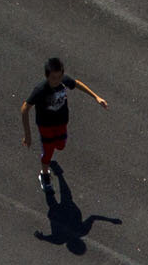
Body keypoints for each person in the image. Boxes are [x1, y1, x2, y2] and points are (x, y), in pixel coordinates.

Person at [21, 58, 108, 190]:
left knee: (60, 146)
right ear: (47, 76)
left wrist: (96, 97)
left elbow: (76, 83)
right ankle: (44, 175)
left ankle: (50, 160)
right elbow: (24, 108)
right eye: (54, 78)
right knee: (48, 153)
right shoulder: (40, 90)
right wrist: (28, 135)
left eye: (60, 76)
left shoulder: (63, 81)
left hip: (61, 123)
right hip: (46, 126)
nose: (57, 81)